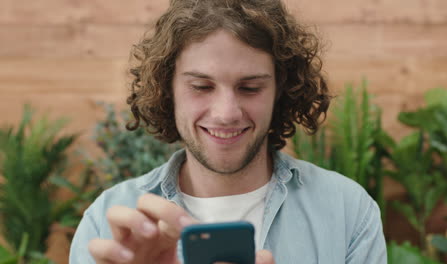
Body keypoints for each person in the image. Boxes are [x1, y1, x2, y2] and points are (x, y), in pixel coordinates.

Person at [70, 0, 387, 263]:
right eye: (201, 86)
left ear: (280, 89)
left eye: (250, 88)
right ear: (168, 88)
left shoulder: (347, 211)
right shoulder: (108, 223)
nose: (225, 113)